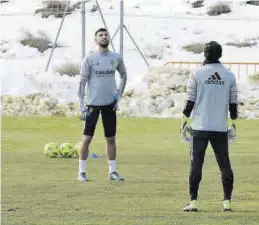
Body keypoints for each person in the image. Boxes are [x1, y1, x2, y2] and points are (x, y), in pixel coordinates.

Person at [180, 41, 238, 212]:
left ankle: (193, 202)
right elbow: (233, 104)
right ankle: (227, 203)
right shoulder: (229, 75)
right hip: (220, 127)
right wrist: (233, 123)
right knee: (225, 165)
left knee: (196, 164)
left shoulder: (197, 73)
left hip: (199, 126)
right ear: (220, 55)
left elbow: (190, 100)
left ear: (204, 54)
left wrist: (184, 120)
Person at [77, 28, 127, 182]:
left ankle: (112, 172)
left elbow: (124, 75)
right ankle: (81, 172)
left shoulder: (116, 57)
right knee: (87, 139)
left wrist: (119, 94)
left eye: (106, 35)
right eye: (101, 35)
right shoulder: (90, 58)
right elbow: (82, 81)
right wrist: (81, 104)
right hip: (92, 104)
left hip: (109, 105)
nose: (104, 37)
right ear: (95, 39)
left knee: (111, 139)